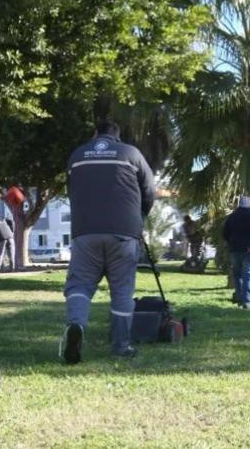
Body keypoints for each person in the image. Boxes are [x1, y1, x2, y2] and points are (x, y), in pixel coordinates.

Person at [60, 120, 155, 364]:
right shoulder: (131, 154)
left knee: (79, 286)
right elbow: (149, 191)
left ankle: (76, 327)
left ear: (95, 134)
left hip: (85, 232)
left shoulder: (77, 155)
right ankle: (121, 346)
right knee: (122, 290)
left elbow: (71, 190)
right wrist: (138, 216)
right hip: (124, 233)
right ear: (118, 136)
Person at [222, 196, 250, 309]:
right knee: (249, 275)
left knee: (237, 275)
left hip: (235, 249)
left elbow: (225, 233)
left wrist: (231, 242)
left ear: (239, 204)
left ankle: (239, 298)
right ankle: (247, 302)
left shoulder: (231, 217)